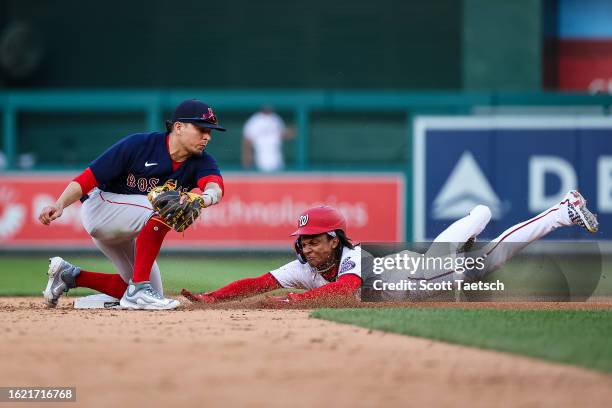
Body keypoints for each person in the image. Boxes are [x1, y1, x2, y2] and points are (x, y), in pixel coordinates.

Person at [181, 190, 599, 306]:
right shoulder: (305, 266)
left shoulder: (351, 257)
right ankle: (483, 217)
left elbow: (343, 290)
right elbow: (259, 281)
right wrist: (212, 298)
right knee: (475, 238)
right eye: (302, 241)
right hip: (422, 267)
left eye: (313, 240)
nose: (306, 247)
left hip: (434, 274)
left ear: (334, 238)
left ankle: (562, 211)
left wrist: (289, 303)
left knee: (494, 255)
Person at [39, 99, 226, 310]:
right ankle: (137, 290)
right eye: (201, 129)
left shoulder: (202, 161)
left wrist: (206, 198)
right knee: (166, 206)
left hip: (126, 225)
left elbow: (214, 187)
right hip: (101, 208)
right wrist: (60, 203)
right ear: (179, 127)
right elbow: (88, 178)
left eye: (210, 132)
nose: (207, 136)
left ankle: (70, 276)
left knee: (154, 292)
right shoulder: (140, 145)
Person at [241, 106, 293, 172]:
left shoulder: (276, 119)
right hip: (260, 161)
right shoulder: (254, 120)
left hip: (277, 160)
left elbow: (283, 135)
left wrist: (290, 133)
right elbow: (246, 141)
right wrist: (247, 159)